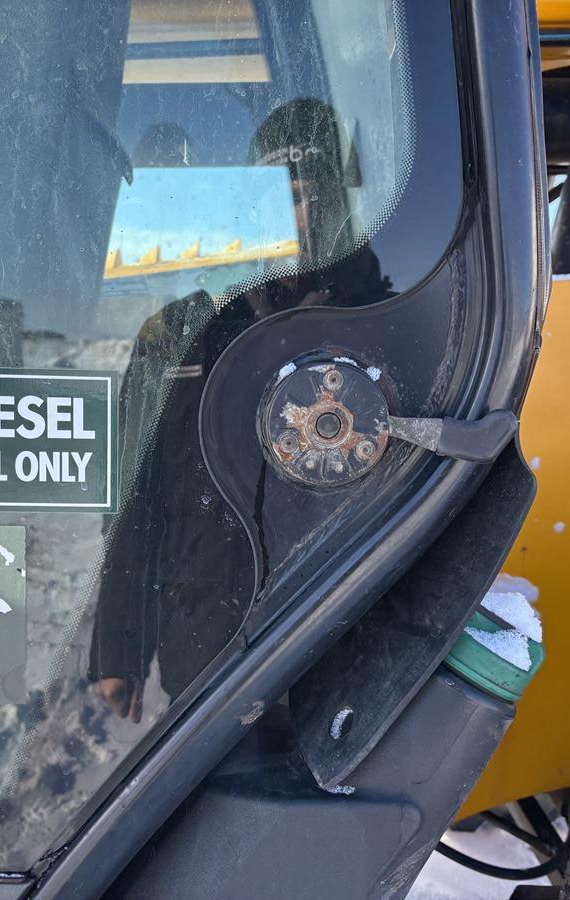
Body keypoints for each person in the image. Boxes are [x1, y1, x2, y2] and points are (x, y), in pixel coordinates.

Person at [87, 98, 391, 721]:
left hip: (350, 660)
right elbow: (137, 498)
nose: (302, 214)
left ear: (343, 201)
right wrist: (120, 643)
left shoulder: (389, 323)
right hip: (208, 654)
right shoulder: (181, 335)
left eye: (316, 192)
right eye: (283, 195)